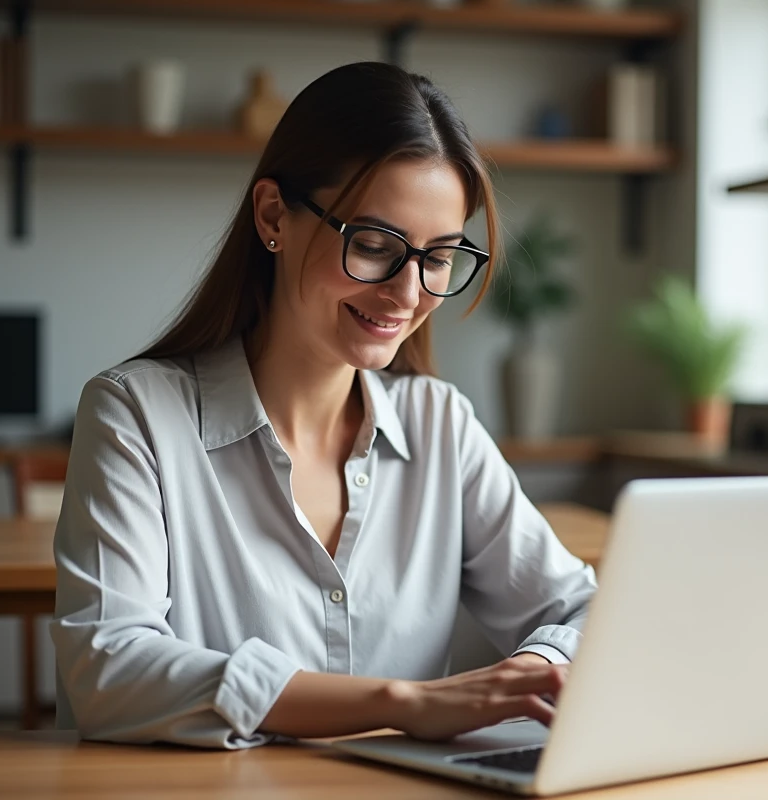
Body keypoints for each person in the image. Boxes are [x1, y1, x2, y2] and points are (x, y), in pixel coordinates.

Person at [50, 62, 597, 750]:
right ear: (273, 215)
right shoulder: (135, 415)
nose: (407, 295)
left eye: (439, 258)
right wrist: (405, 702)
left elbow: (581, 605)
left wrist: (530, 672)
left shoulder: (440, 425)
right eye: (373, 246)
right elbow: (108, 668)